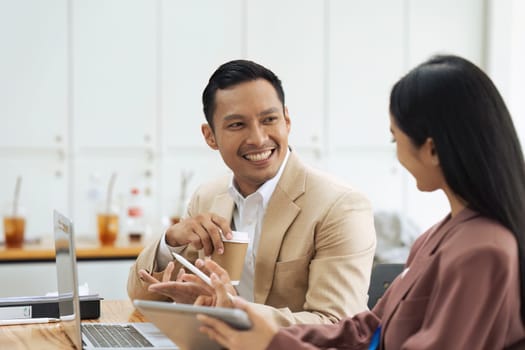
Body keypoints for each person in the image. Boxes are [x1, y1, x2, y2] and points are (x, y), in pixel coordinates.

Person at [197, 55, 525, 349]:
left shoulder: (484, 251)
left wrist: (273, 345)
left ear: (432, 149)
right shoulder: (435, 237)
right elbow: (365, 331)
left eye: (395, 138)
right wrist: (254, 323)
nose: (395, 153)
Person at [127, 59, 377, 325]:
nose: (258, 138)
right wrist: (172, 240)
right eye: (237, 125)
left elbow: (336, 325)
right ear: (210, 136)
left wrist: (231, 310)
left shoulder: (340, 206)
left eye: (269, 119)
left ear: (287, 121)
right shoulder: (207, 197)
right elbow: (140, 295)